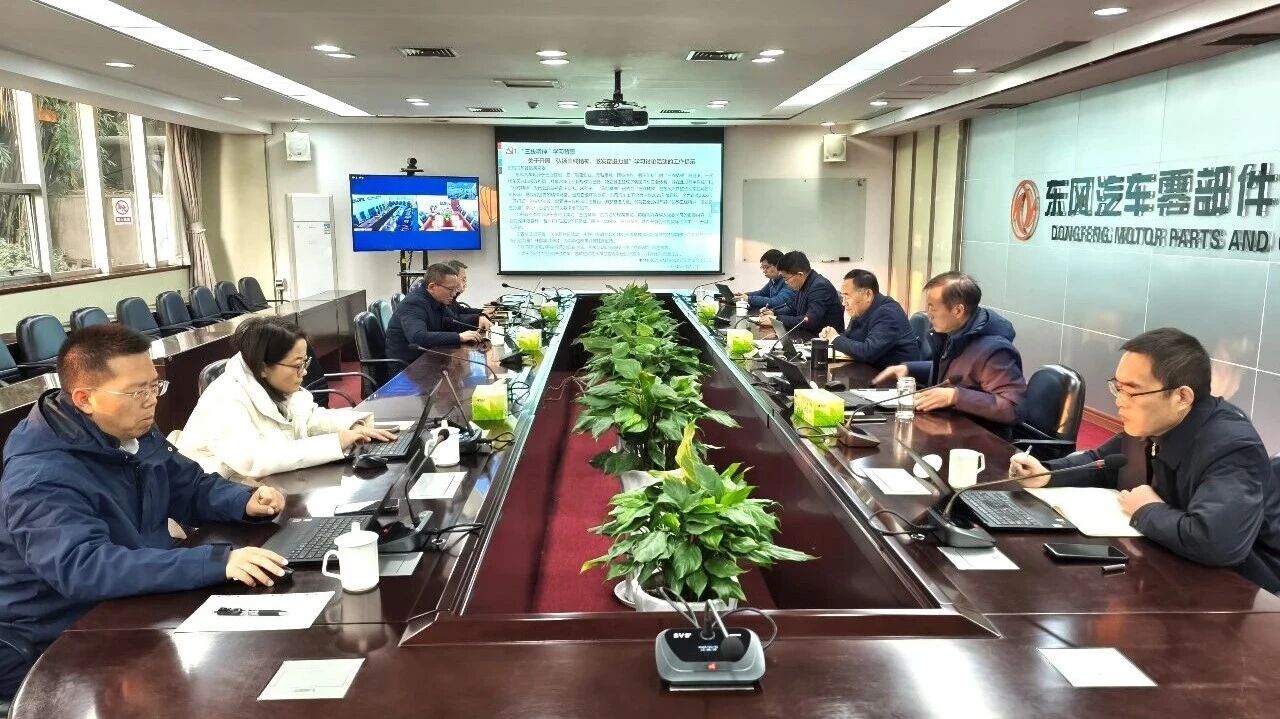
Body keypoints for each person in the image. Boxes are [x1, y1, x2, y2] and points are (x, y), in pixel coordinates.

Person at [0, 324, 289, 698]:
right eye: (137, 391)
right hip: (57, 639)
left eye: (154, 386)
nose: (151, 400)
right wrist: (215, 562)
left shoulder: (130, 430)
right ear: (85, 399)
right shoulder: (40, 477)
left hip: (136, 603)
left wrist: (242, 500)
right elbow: (85, 567)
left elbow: (188, 486)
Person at [1009, 328, 1280, 592]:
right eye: (1118, 388)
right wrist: (1048, 473)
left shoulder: (1232, 448)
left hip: (1237, 592)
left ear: (1182, 397)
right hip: (1168, 564)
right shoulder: (1154, 422)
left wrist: (1147, 510)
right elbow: (1104, 463)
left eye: (1132, 392)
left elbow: (1217, 542)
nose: (1119, 401)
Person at [175, 317, 397, 482]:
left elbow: (308, 418)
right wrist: (336, 441)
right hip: (220, 495)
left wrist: (351, 426)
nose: (304, 372)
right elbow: (254, 459)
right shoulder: (224, 399)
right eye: (297, 365)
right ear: (263, 367)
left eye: (304, 363)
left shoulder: (273, 384)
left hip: (268, 485)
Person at [874, 271, 1025, 435]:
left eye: (933, 307)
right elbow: (956, 370)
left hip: (978, 439)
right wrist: (909, 368)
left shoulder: (995, 351)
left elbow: (1013, 408)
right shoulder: (956, 332)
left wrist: (955, 396)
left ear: (958, 310)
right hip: (947, 428)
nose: (929, 314)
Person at [817, 269, 920, 369]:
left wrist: (835, 338)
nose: (844, 303)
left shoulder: (888, 314)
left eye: (847, 296)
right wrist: (829, 337)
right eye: (842, 297)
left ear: (868, 295)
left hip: (895, 377)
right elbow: (850, 336)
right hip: (871, 370)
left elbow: (867, 352)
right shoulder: (861, 310)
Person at [385, 262, 484, 364]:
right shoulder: (413, 303)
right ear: (432, 287)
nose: (454, 293)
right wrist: (459, 337)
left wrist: (478, 319)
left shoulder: (437, 300)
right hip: (408, 366)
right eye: (451, 289)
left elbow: (453, 322)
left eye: (455, 289)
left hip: (427, 358)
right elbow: (418, 337)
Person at [759, 251, 843, 336]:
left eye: (786, 279)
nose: (786, 283)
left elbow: (809, 320)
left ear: (800, 275)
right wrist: (774, 313)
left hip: (822, 339)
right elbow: (793, 308)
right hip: (807, 334)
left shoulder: (819, 287)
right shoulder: (804, 282)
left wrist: (777, 319)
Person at [444, 259, 494, 332]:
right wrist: (478, 318)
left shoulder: (452, 297)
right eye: (463, 279)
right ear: (453, 278)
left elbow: (461, 310)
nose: (466, 284)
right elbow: (451, 321)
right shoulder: (442, 298)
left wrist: (483, 312)